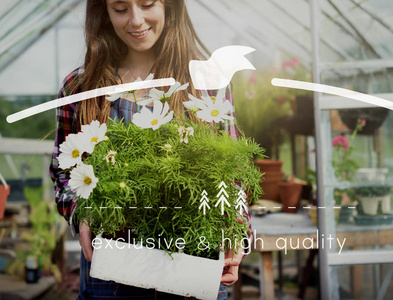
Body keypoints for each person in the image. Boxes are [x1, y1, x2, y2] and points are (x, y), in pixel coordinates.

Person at [49, 0, 249, 299]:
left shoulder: (207, 80)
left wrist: (236, 230)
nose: (136, 20)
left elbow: (233, 176)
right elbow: (64, 173)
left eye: (146, 4)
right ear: (103, 11)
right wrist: (82, 214)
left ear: (170, 5)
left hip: (192, 267)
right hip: (112, 274)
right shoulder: (80, 87)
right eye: (120, 8)